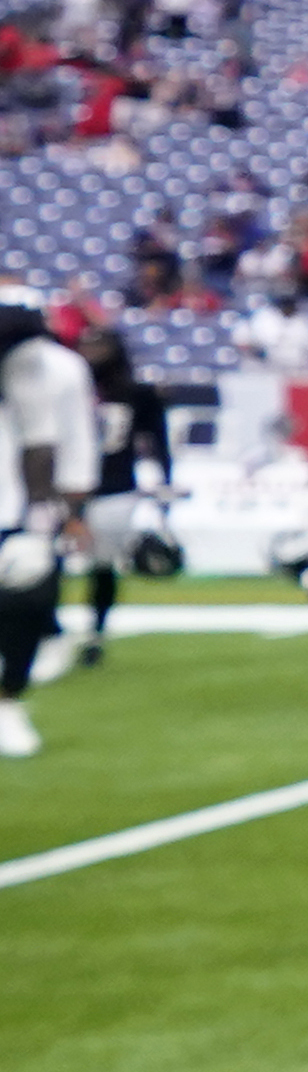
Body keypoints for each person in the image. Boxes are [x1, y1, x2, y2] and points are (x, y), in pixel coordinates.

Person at [0, 283, 99, 761]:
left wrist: (61, 512)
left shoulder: (51, 367)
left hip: (14, 505)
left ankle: (8, 700)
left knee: (24, 600)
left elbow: (55, 441)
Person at [70, 321, 168, 670]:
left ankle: (95, 631)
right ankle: (49, 627)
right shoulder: (70, 389)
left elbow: (158, 439)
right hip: (69, 489)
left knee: (101, 566)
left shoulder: (135, 393)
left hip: (112, 489)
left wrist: (164, 484)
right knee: (42, 562)